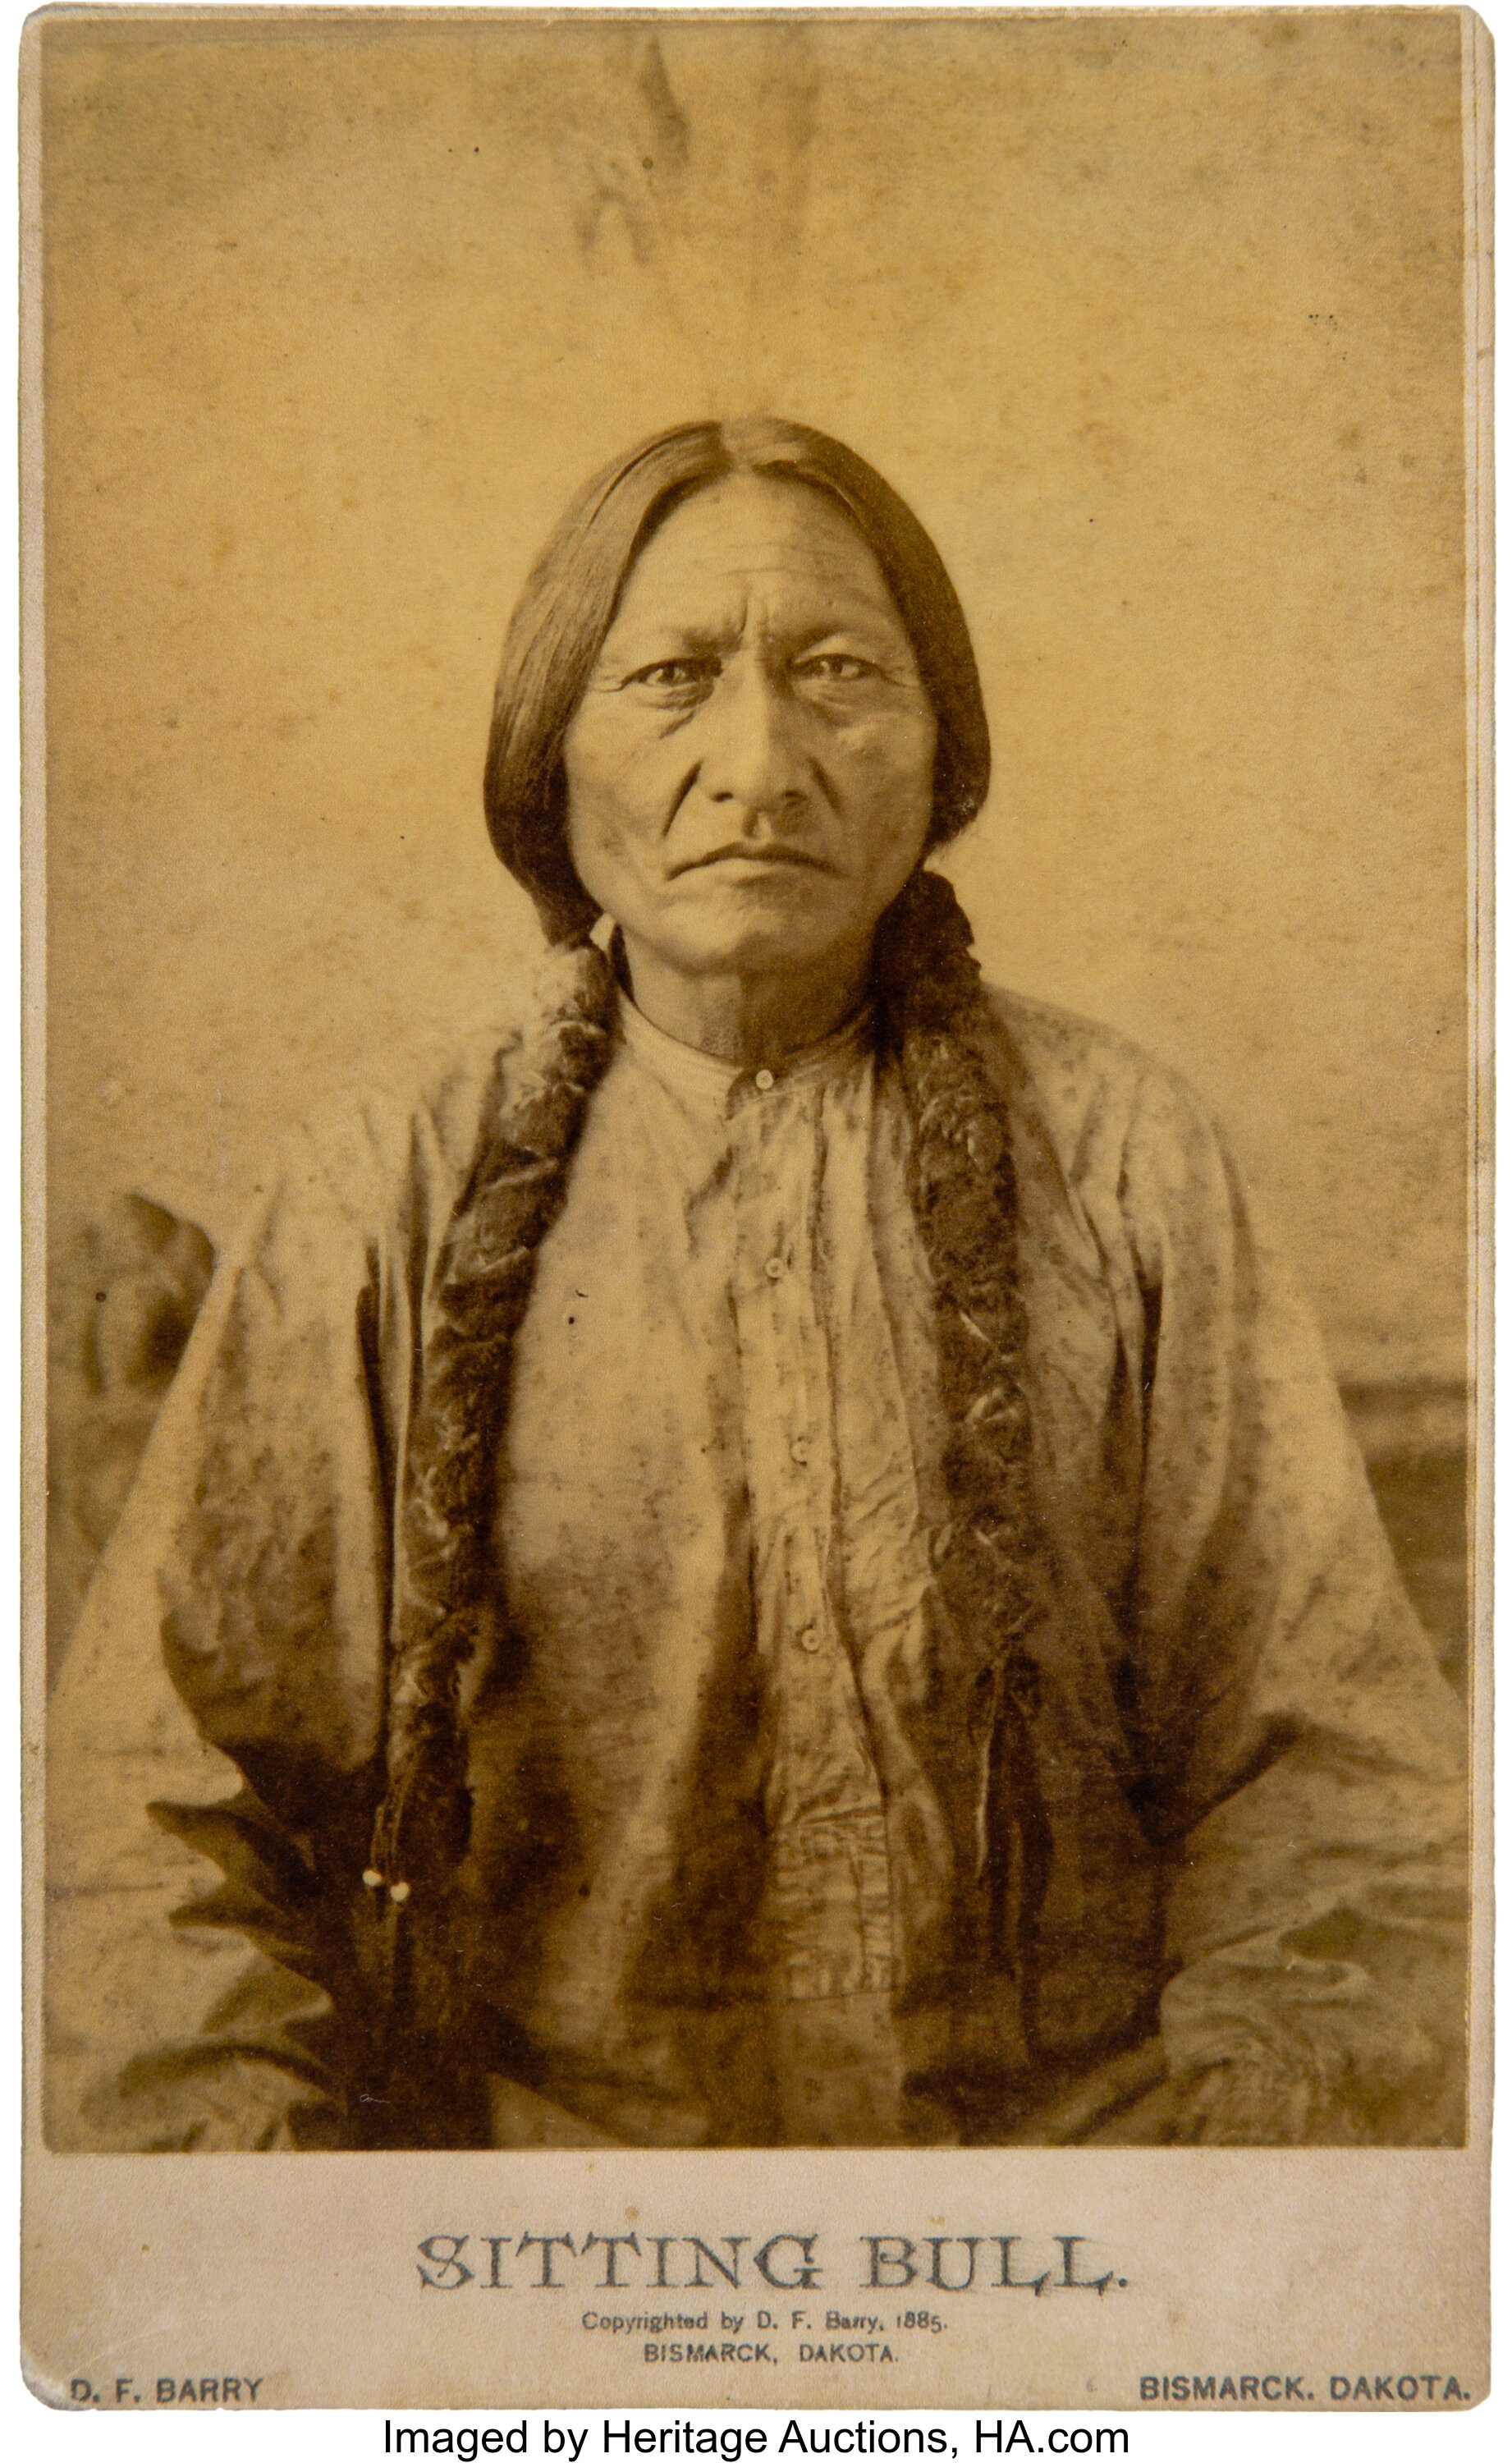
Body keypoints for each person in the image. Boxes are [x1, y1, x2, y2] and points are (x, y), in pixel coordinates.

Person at [46, 416, 1467, 2153]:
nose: (759, 760)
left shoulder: (1128, 1166)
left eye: (838, 673)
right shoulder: (383, 1192)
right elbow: (153, 1826)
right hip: (525, 2254)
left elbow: (1334, 1793)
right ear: (548, 753)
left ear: (941, 746)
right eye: (670, 678)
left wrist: (1206, 2216)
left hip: (1068, 2238)